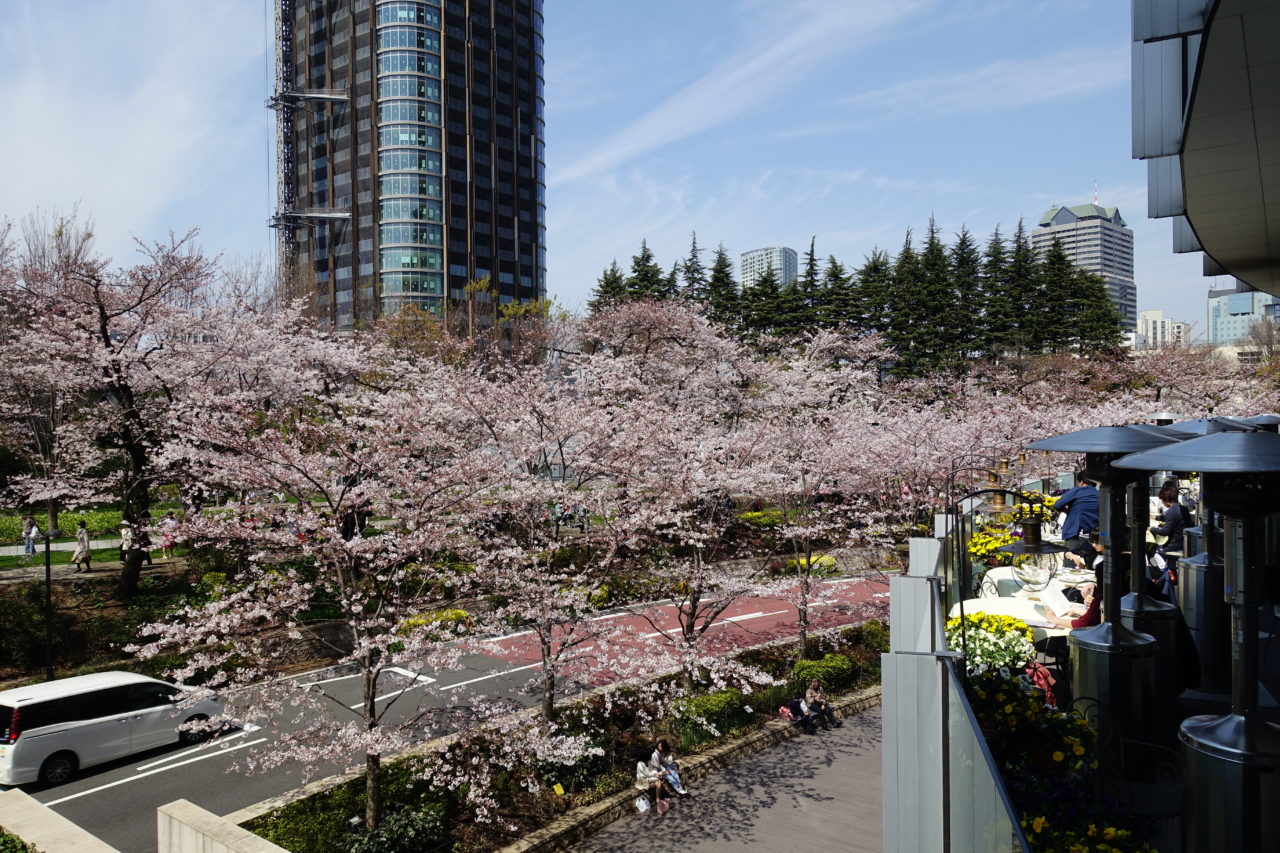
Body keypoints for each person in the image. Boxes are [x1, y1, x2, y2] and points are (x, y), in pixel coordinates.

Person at [1055, 473, 1099, 568]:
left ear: (1081, 482)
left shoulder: (1077, 490)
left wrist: (1067, 510)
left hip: (1074, 534)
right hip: (1093, 537)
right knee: (1089, 568)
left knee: (1070, 569)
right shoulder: (1099, 494)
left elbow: (1057, 505)